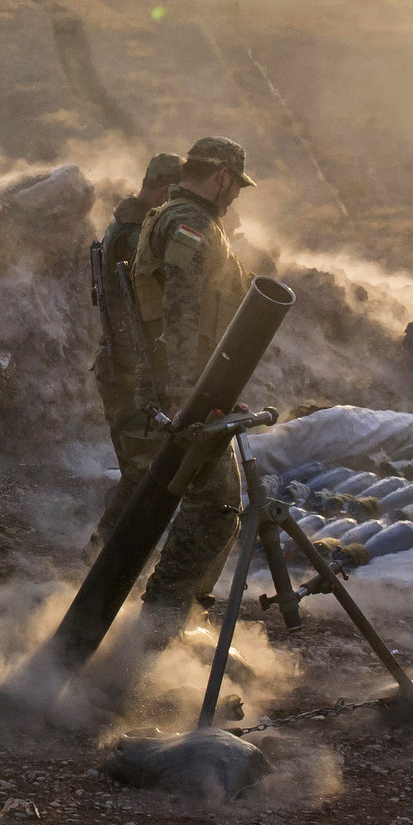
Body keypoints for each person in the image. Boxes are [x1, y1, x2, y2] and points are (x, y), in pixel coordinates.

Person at [127, 135, 255, 640]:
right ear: (221, 175)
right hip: (183, 388)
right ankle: (160, 627)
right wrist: (185, 391)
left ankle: (173, 620)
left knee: (213, 504)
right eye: (236, 185)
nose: (237, 196)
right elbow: (181, 307)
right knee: (217, 505)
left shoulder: (182, 217)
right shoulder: (190, 223)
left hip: (196, 384)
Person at [88, 152, 185, 553]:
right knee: (143, 471)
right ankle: (100, 557)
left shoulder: (130, 226)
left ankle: (114, 555)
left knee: (143, 470)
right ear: (165, 190)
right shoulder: (134, 235)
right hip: (129, 369)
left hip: (129, 365)